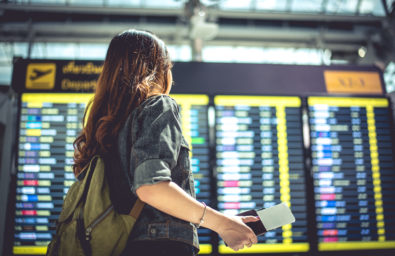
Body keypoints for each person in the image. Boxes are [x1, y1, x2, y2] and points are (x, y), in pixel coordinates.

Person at [72, 29, 259, 255]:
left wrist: (224, 220)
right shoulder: (159, 106)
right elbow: (151, 187)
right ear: (158, 71)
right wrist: (222, 224)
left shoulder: (105, 128)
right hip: (160, 246)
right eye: (168, 67)